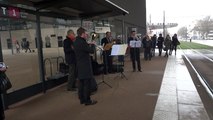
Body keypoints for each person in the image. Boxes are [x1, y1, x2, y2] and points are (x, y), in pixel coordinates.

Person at [73, 27, 97, 106]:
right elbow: (91, 51)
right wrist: (93, 44)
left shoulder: (76, 41)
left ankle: (82, 99)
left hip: (79, 65)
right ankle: (87, 101)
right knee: (87, 84)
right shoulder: (82, 42)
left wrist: (88, 44)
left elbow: (83, 49)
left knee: (81, 84)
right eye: (86, 34)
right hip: (85, 65)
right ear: (82, 34)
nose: (87, 35)